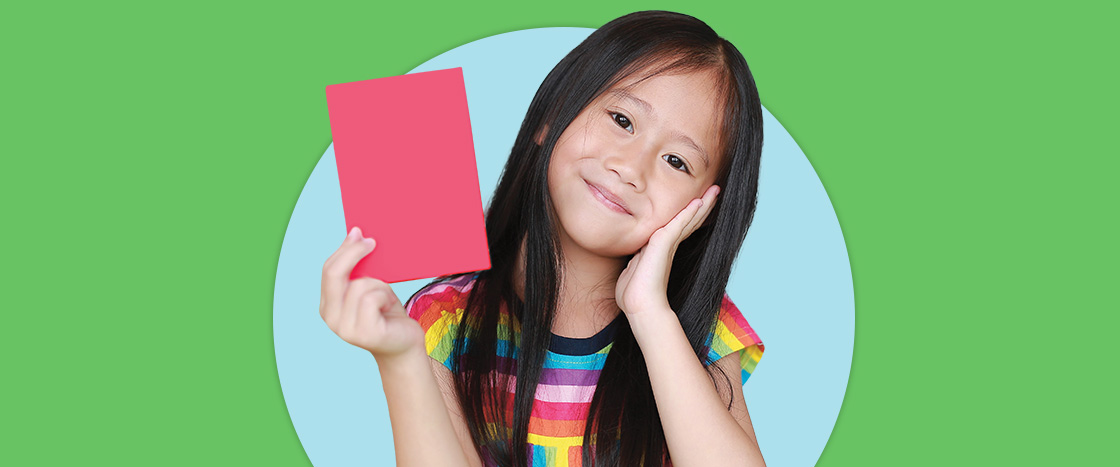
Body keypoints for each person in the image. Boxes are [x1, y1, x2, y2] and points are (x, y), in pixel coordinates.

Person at [319, 10, 766, 467]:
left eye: (677, 161)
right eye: (622, 120)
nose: (630, 169)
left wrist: (650, 314)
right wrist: (401, 360)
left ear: (706, 211)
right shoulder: (445, 319)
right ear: (551, 116)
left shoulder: (695, 327)